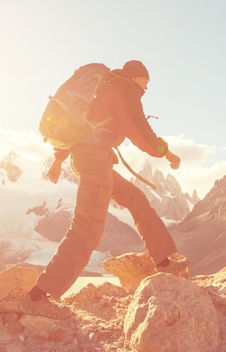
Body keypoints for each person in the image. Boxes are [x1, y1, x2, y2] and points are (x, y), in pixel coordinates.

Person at [19, 60, 187, 319]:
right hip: (95, 160)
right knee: (88, 226)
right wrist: (167, 153)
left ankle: (164, 261)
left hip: (90, 158)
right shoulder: (124, 91)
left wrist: (58, 161)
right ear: (136, 77)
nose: (146, 86)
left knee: (135, 198)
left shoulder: (104, 90)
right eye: (146, 80)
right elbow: (141, 133)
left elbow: (81, 127)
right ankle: (39, 295)